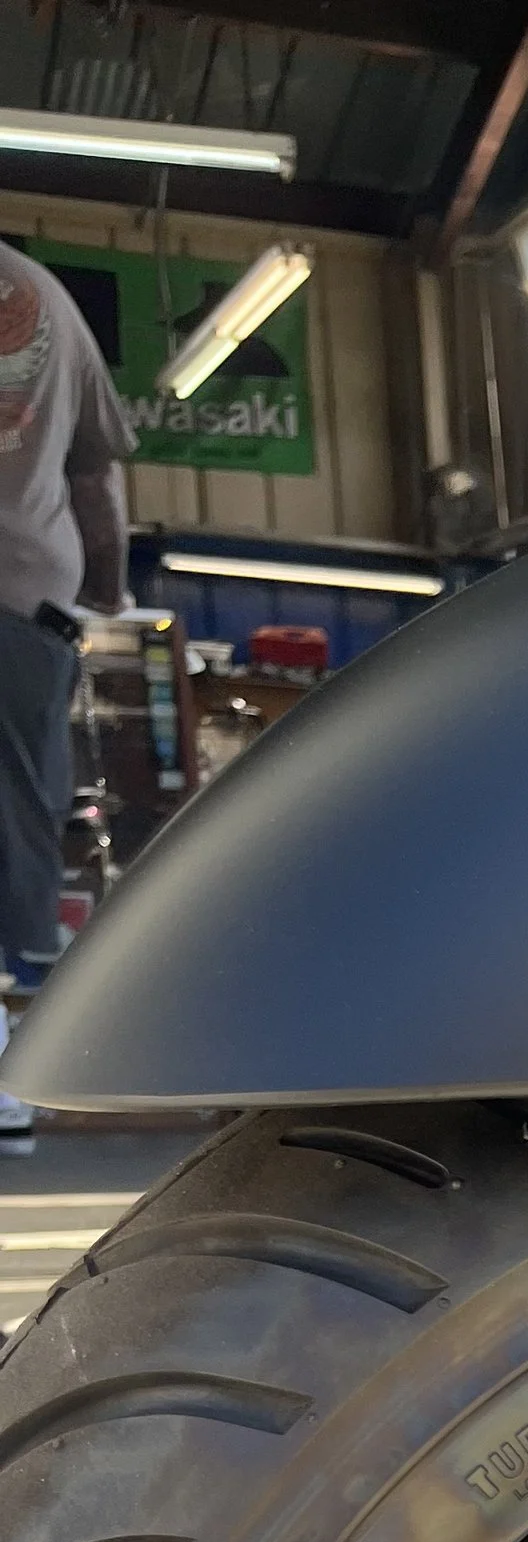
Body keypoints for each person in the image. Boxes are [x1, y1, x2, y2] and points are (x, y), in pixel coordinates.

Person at [0, 237, 133, 1151]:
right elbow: (94, 478)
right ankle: (9, 1079)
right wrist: (111, 590)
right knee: (15, 818)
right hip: (22, 601)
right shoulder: (42, 291)